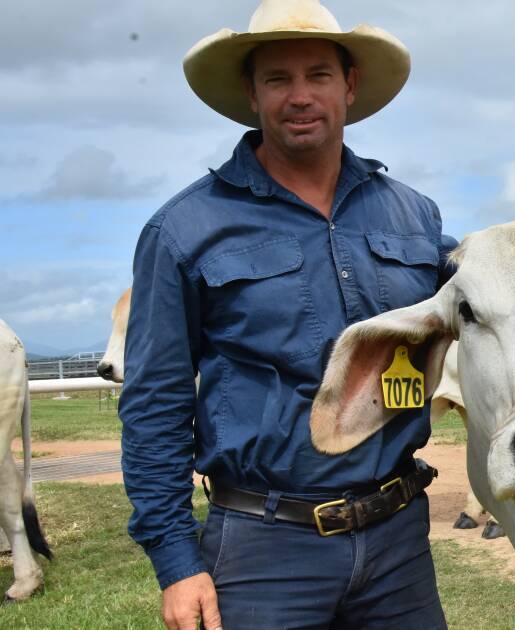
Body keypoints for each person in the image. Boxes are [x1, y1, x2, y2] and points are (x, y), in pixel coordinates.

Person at [119, 1, 452, 628]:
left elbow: (488, 308)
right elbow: (154, 402)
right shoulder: (184, 230)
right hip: (263, 549)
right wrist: (176, 561)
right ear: (251, 93)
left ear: (349, 86)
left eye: (318, 74)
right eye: (278, 79)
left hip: (399, 541)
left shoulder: (415, 216)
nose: (300, 96)